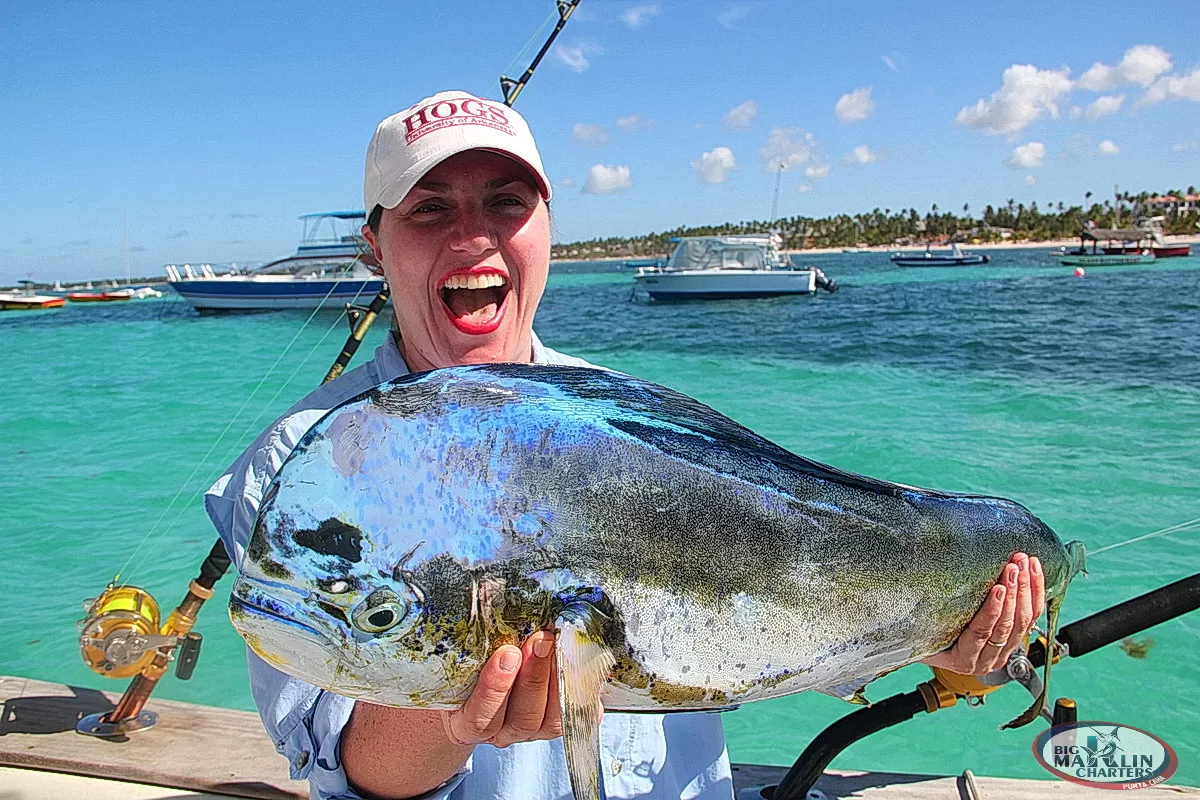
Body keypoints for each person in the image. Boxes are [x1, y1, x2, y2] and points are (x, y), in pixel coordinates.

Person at [206, 90, 1045, 800]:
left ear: (546, 229)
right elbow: (343, 765)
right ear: (373, 246)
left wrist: (953, 641)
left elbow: (772, 596)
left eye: (507, 201)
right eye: (430, 208)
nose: (473, 234)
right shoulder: (296, 466)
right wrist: (452, 718)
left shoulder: (633, 424)